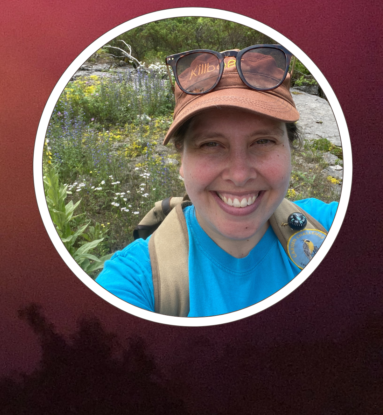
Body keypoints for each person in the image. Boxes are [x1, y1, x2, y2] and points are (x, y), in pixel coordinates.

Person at [95, 44, 338, 317]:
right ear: (182, 161)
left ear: (290, 149)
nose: (239, 174)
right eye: (211, 144)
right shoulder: (135, 281)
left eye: (263, 141)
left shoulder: (330, 226)